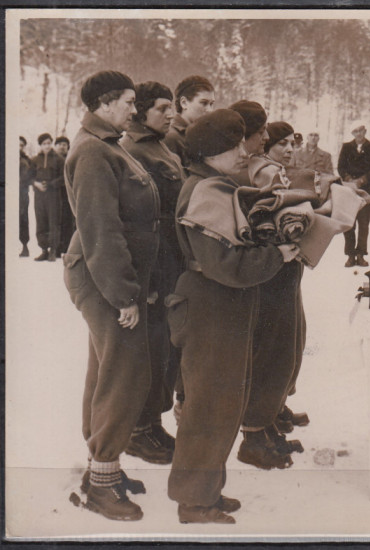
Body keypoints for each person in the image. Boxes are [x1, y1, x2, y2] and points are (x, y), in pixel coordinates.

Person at [168, 109, 298, 524]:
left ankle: (207, 493)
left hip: (221, 308)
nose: (245, 152)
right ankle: (194, 502)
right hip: (211, 307)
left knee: (222, 405)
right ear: (212, 153)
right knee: (209, 408)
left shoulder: (216, 185)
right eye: (235, 145)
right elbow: (224, 265)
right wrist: (275, 254)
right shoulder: (206, 191)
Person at [63, 70, 159, 521]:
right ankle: (102, 487)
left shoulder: (107, 146)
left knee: (106, 371)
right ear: (103, 103)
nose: (133, 109)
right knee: (124, 376)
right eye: (127, 101)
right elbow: (101, 230)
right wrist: (123, 296)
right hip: (105, 278)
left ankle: (103, 470)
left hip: (113, 276)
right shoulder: (93, 153)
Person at [237, 121, 309, 470]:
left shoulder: (271, 170)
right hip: (271, 272)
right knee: (270, 352)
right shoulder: (259, 171)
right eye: (277, 142)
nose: (286, 148)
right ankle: (254, 435)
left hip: (283, 270)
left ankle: (266, 428)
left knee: (285, 349)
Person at [121, 81, 186, 465]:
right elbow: (131, 221)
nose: (170, 114)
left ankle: (153, 424)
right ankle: (138, 431)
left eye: (171, 107)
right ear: (142, 111)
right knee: (149, 348)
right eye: (162, 108)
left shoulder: (160, 146)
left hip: (172, 259)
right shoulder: (133, 152)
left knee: (165, 348)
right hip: (154, 265)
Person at [337, 122, 370, 267]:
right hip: (349, 189)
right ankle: (350, 254)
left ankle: (361, 254)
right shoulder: (346, 147)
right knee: (349, 222)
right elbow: (341, 167)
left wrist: (362, 180)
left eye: (361, 130)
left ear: (365, 131)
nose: (359, 134)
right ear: (352, 134)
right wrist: (350, 180)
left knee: (364, 223)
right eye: (355, 131)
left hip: (366, 189)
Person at [164, 75, 215, 168]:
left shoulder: (202, 135)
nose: (210, 110)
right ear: (184, 103)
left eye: (211, 104)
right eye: (204, 103)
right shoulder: (171, 137)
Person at [31, 133, 64, 262]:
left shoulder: (59, 159)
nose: (47, 146)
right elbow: (30, 176)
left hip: (53, 194)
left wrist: (51, 184)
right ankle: (44, 250)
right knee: (41, 220)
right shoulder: (35, 160)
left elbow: (63, 177)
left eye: (49, 143)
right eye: (44, 144)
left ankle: (53, 250)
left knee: (53, 220)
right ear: (40, 145)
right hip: (39, 195)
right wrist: (36, 184)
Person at [54, 136, 75, 256]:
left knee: (67, 219)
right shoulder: (53, 159)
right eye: (60, 144)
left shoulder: (70, 158)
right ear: (55, 146)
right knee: (56, 220)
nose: (62, 147)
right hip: (55, 194)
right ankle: (56, 247)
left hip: (67, 193)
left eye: (65, 144)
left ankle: (66, 246)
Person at [19, 136, 33, 257]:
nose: (19, 147)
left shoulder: (25, 160)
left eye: (21, 145)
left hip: (21, 193)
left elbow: (28, 178)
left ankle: (24, 245)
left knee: (23, 218)